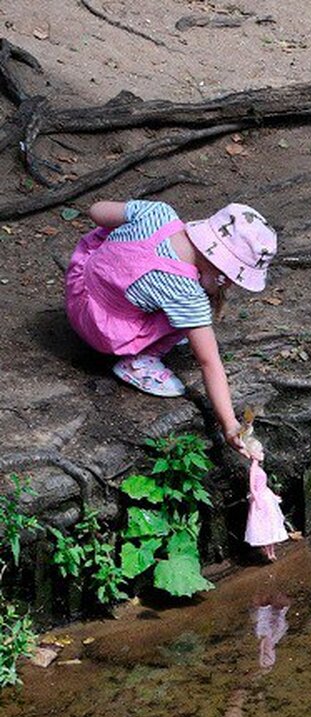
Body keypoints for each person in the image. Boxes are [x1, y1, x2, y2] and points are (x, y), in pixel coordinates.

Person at [64, 199, 276, 455]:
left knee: (169, 299)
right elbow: (209, 362)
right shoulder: (185, 293)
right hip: (98, 328)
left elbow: (96, 210)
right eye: (231, 278)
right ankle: (139, 361)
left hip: (81, 282)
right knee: (193, 319)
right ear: (222, 268)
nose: (228, 285)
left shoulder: (158, 213)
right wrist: (230, 424)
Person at [242, 429, 288, 561]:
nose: (262, 454)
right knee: (264, 525)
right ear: (253, 454)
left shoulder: (259, 468)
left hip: (266, 496)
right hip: (260, 499)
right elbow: (252, 487)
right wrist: (257, 500)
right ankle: (268, 553)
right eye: (260, 451)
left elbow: (264, 485)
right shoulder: (253, 470)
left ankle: (271, 552)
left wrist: (273, 496)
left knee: (271, 523)